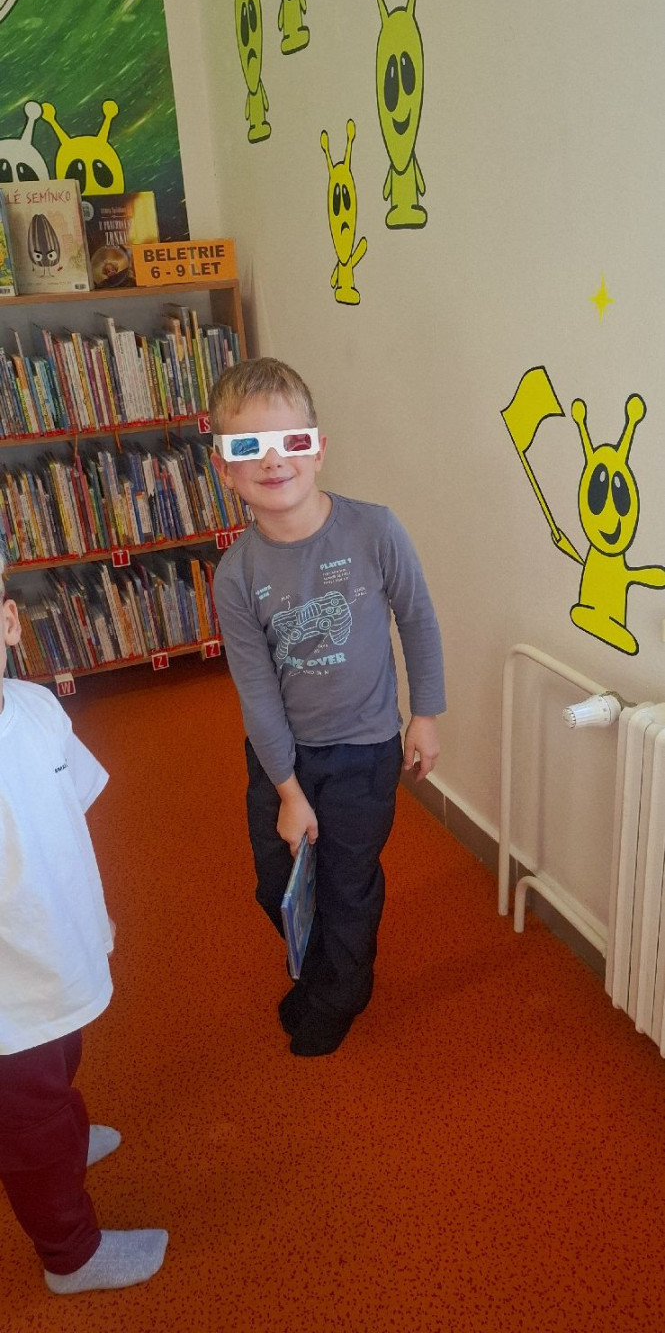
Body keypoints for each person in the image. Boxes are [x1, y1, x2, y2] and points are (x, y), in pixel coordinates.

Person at [211, 358, 445, 1057]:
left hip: (364, 755)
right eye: (248, 446)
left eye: (290, 440)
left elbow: (418, 619)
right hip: (281, 758)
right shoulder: (236, 574)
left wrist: (425, 713)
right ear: (224, 469)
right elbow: (256, 690)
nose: (273, 460)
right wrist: (287, 792)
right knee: (277, 886)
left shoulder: (375, 530)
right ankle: (321, 973)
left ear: (316, 449)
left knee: (345, 885)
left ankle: (339, 994)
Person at [0, 552, 168, 1294]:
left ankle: (63, 1141)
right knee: (27, 1120)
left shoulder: (37, 708)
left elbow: (72, 806)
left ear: (9, 623)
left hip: (59, 943)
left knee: (63, 1059)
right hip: (8, 999)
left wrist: (85, 921)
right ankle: (70, 1256)